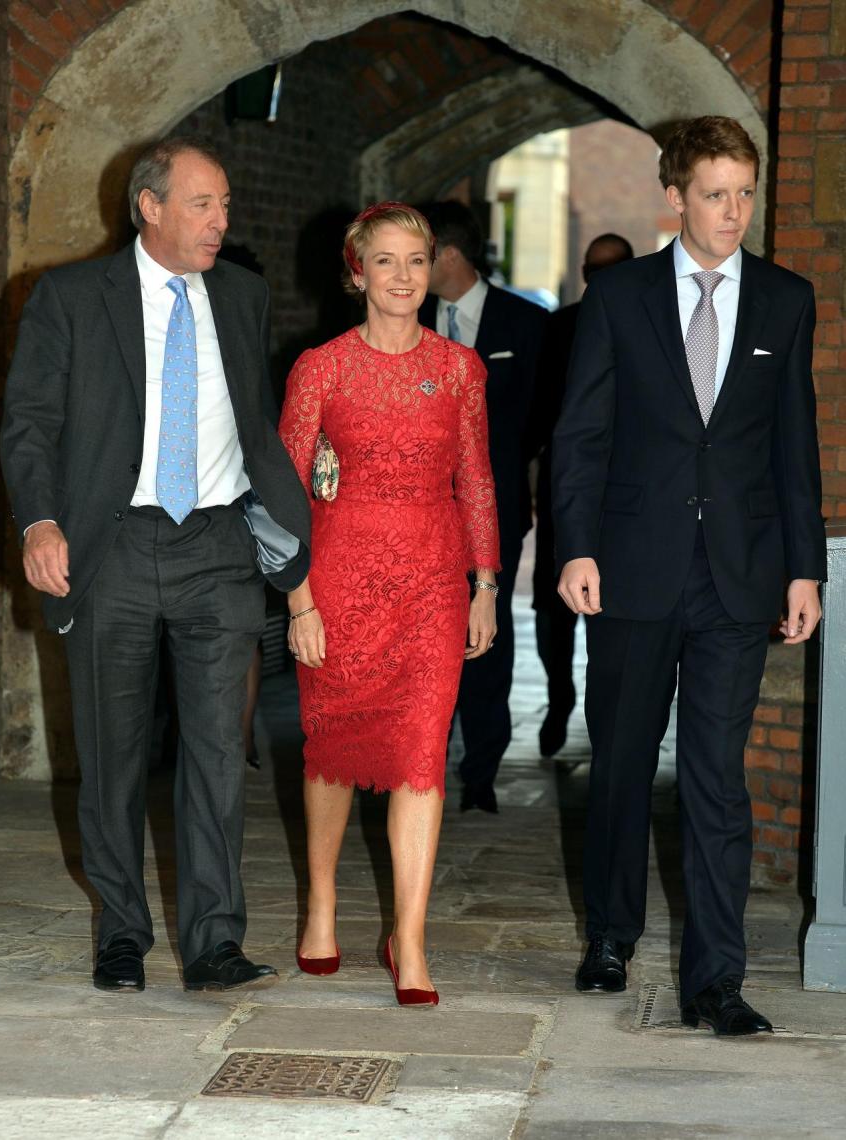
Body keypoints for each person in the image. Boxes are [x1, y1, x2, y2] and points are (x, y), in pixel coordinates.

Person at [0, 137, 310, 993]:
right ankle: (121, 933)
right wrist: (41, 523)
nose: (221, 220)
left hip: (216, 547)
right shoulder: (70, 296)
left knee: (218, 749)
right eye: (203, 204)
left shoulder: (242, 296)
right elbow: (28, 421)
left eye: (225, 205)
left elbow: (252, 423)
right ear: (151, 206)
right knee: (113, 753)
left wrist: (283, 525)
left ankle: (213, 941)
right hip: (117, 547)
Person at [553, 116, 825, 1035]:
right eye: (715, 195)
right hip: (630, 568)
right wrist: (574, 547)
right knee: (623, 763)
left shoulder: (786, 300)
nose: (732, 212)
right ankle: (610, 934)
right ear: (673, 198)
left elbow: (795, 444)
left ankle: (717, 979)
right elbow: (580, 434)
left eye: (744, 194)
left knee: (715, 777)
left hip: (738, 579)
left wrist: (804, 568)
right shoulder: (619, 297)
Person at [278, 202, 500, 1005]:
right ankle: (323, 901)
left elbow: (475, 478)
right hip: (338, 579)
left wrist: (485, 585)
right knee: (333, 748)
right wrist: (299, 600)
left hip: (433, 583)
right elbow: (282, 491)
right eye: (386, 261)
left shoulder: (458, 370)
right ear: (356, 271)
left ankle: (408, 936)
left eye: (416, 260)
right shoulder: (321, 368)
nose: (403, 276)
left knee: (420, 753)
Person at [419, 200, 546, 813]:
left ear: (447, 253)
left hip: (492, 507)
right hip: (414, 513)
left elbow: (548, 413)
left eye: (419, 254)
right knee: (421, 638)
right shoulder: (403, 316)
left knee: (484, 634)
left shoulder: (526, 324)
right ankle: (421, 764)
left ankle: (481, 771)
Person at [531, 234, 634, 757]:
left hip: (627, 493)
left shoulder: (649, 319)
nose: (602, 280)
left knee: (614, 611)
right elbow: (543, 408)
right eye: (595, 270)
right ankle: (558, 695)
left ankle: (604, 709)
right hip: (566, 482)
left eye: (613, 270)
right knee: (553, 604)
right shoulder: (562, 325)